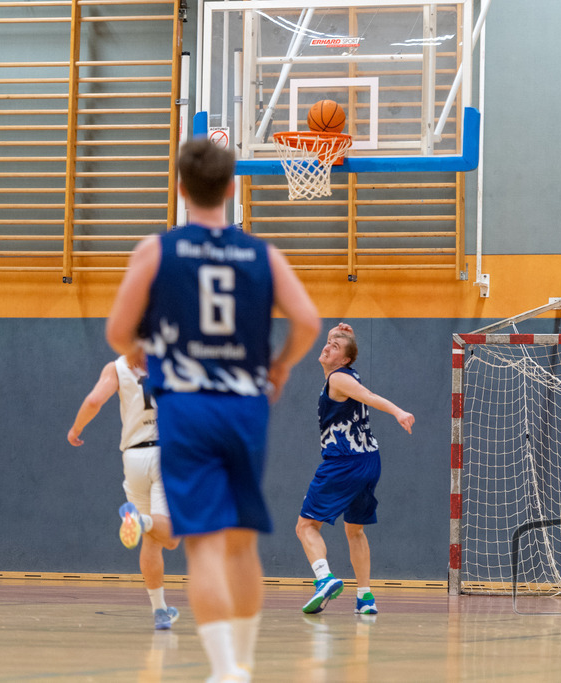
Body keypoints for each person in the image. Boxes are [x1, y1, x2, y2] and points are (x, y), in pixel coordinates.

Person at [105, 138, 321, 683]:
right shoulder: (262, 254)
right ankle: (243, 663)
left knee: (202, 545)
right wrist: (282, 366)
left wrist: (138, 347)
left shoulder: (156, 251)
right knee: (242, 541)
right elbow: (308, 323)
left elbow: (116, 331)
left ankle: (226, 669)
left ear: (180, 188)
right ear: (231, 188)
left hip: (187, 410)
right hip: (245, 408)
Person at [296, 322, 414, 616]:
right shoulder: (343, 370)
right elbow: (338, 348)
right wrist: (340, 334)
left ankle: (323, 578)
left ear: (345, 359)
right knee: (355, 530)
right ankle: (365, 597)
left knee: (306, 526)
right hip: (369, 461)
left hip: (344, 462)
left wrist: (398, 411)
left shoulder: (339, 379)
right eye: (328, 342)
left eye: (335, 346)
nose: (327, 347)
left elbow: (370, 397)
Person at [67, 356, 182, 630]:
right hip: (166, 451)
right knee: (171, 538)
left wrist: (76, 428)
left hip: (133, 457)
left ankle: (160, 612)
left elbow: (95, 401)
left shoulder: (116, 367)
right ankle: (141, 521)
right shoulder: (172, 358)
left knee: (151, 541)